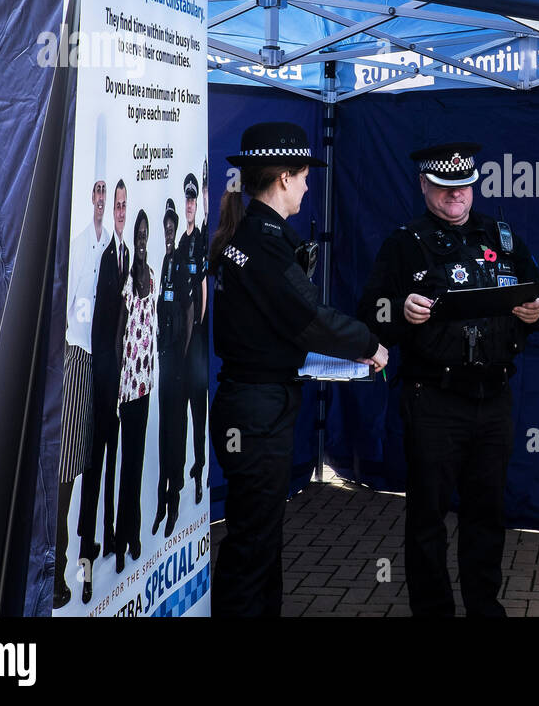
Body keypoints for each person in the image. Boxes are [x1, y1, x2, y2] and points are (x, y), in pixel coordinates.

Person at [358, 142, 539, 617]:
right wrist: (401, 312)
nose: (455, 197)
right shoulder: (405, 243)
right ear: (425, 186)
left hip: (493, 400)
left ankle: (484, 607)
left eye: (463, 186)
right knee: (428, 518)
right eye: (444, 188)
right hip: (434, 401)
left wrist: (536, 309)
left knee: (486, 515)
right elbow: (371, 316)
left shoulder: (501, 235)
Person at [210, 122, 386, 618]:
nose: (309, 186)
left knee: (259, 537)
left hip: (252, 404)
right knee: (253, 543)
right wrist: (370, 343)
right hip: (256, 409)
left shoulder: (249, 233)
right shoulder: (264, 241)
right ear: (284, 177)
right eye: (305, 176)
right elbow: (309, 317)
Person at [56, 119, 110, 608]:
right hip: (77, 358)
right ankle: (56, 568)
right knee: (67, 468)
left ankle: (83, 557)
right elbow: (72, 309)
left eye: (105, 192)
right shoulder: (79, 243)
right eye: (95, 191)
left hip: (100, 365)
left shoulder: (111, 246)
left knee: (88, 463)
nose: (100, 200)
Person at [78, 177, 128, 602]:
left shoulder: (125, 253)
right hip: (97, 381)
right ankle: (84, 559)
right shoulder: (100, 255)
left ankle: (108, 536)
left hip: (116, 385)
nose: (118, 211)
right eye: (114, 204)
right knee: (94, 467)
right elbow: (91, 323)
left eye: (122, 206)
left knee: (111, 462)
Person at [115, 207, 156, 574]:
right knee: (126, 461)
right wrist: (115, 384)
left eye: (145, 234)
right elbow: (119, 334)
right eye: (138, 235)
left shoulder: (153, 277)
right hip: (126, 388)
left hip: (146, 386)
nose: (141, 240)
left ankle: (132, 530)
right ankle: (123, 533)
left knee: (138, 461)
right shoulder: (128, 283)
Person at [153, 198, 189, 538]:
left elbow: (188, 308)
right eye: (164, 228)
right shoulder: (163, 260)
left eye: (171, 228)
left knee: (177, 430)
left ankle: (175, 495)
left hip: (179, 359)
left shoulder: (179, 261)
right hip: (163, 358)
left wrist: (184, 350)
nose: (168, 233)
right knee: (163, 429)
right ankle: (162, 497)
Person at [187, 160, 210, 503]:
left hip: (200, 341)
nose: (193, 204)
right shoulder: (177, 245)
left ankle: (201, 465)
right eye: (189, 198)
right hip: (182, 342)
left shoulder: (206, 235)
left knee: (199, 410)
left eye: (197, 196)